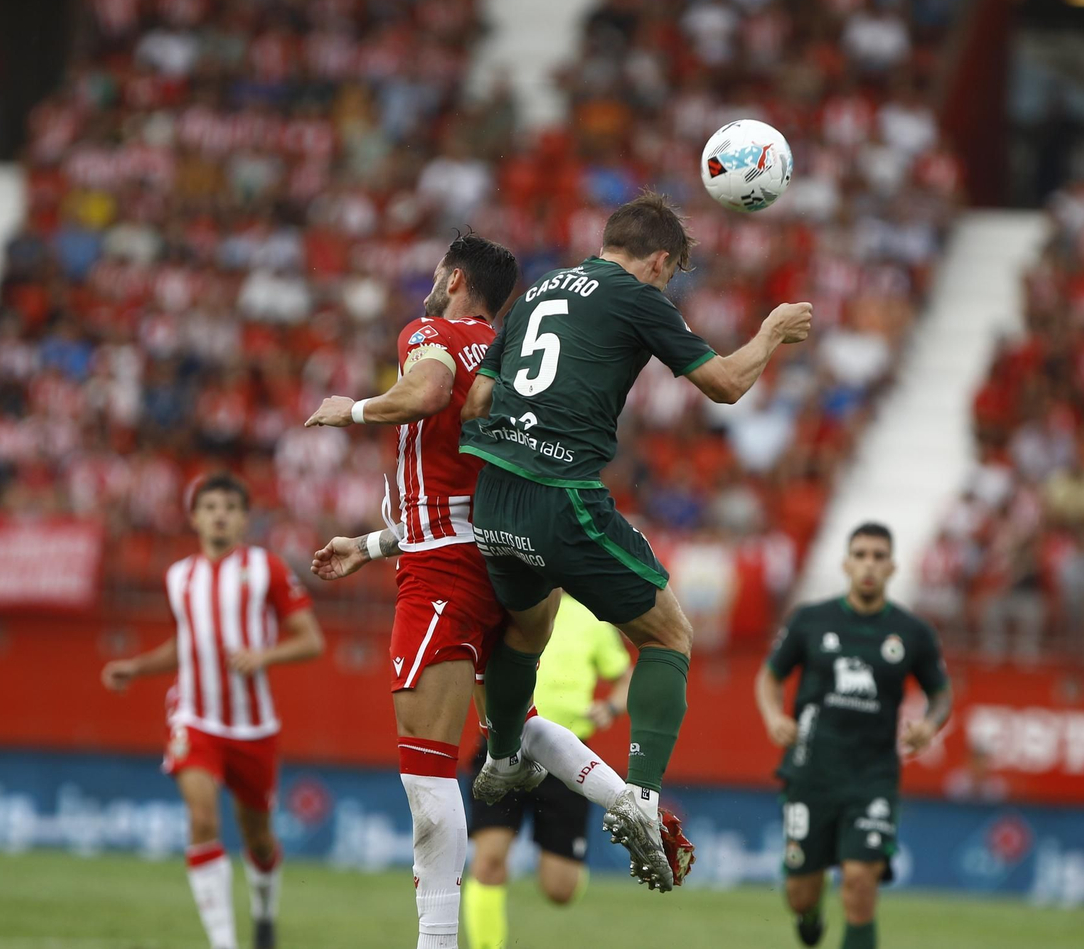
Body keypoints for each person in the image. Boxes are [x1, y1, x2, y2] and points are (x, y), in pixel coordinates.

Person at [304, 230, 682, 949]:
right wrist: (373, 544)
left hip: (445, 569)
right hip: (503, 551)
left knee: (427, 771)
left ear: (451, 277)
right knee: (514, 721)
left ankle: (436, 944)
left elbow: (429, 390)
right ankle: (632, 802)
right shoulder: (506, 351)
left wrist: (351, 410)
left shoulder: (431, 332)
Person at [459, 191, 813, 890]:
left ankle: (502, 755)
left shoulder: (538, 292)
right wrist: (772, 332)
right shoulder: (636, 294)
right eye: (672, 272)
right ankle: (643, 800)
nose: (668, 284)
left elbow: (476, 398)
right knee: (666, 633)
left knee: (527, 632)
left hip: (493, 495)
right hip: (560, 494)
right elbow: (725, 386)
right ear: (658, 259)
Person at [101, 472, 324, 949]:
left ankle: (264, 915)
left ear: (244, 518)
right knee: (203, 820)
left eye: (229, 507)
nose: (219, 514)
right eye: (209, 506)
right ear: (194, 517)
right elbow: (188, 642)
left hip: (253, 724)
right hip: (194, 716)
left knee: (259, 839)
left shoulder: (267, 568)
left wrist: (263, 656)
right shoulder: (179, 576)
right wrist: (136, 668)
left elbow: (311, 639)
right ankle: (223, 944)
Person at [754, 522, 953, 949]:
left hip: (872, 778)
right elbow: (770, 678)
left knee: (861, 882)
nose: (869, 564)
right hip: (811, 773)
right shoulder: (810, 620)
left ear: (893, 567)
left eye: (879, 556)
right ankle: (809, 917)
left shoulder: (912, 633)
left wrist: (930, 725)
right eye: (861, 554)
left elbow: (940, 694)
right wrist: (774, 716)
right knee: (800, 894)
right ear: (846, 563)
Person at [463, 593, 633, 949]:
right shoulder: (510, 601)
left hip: (566, 760)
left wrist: (613, 707)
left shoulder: (593, 618)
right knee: (490, 859)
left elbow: (625, 675)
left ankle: (568, 861)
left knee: (560, 889)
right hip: (505, 745)